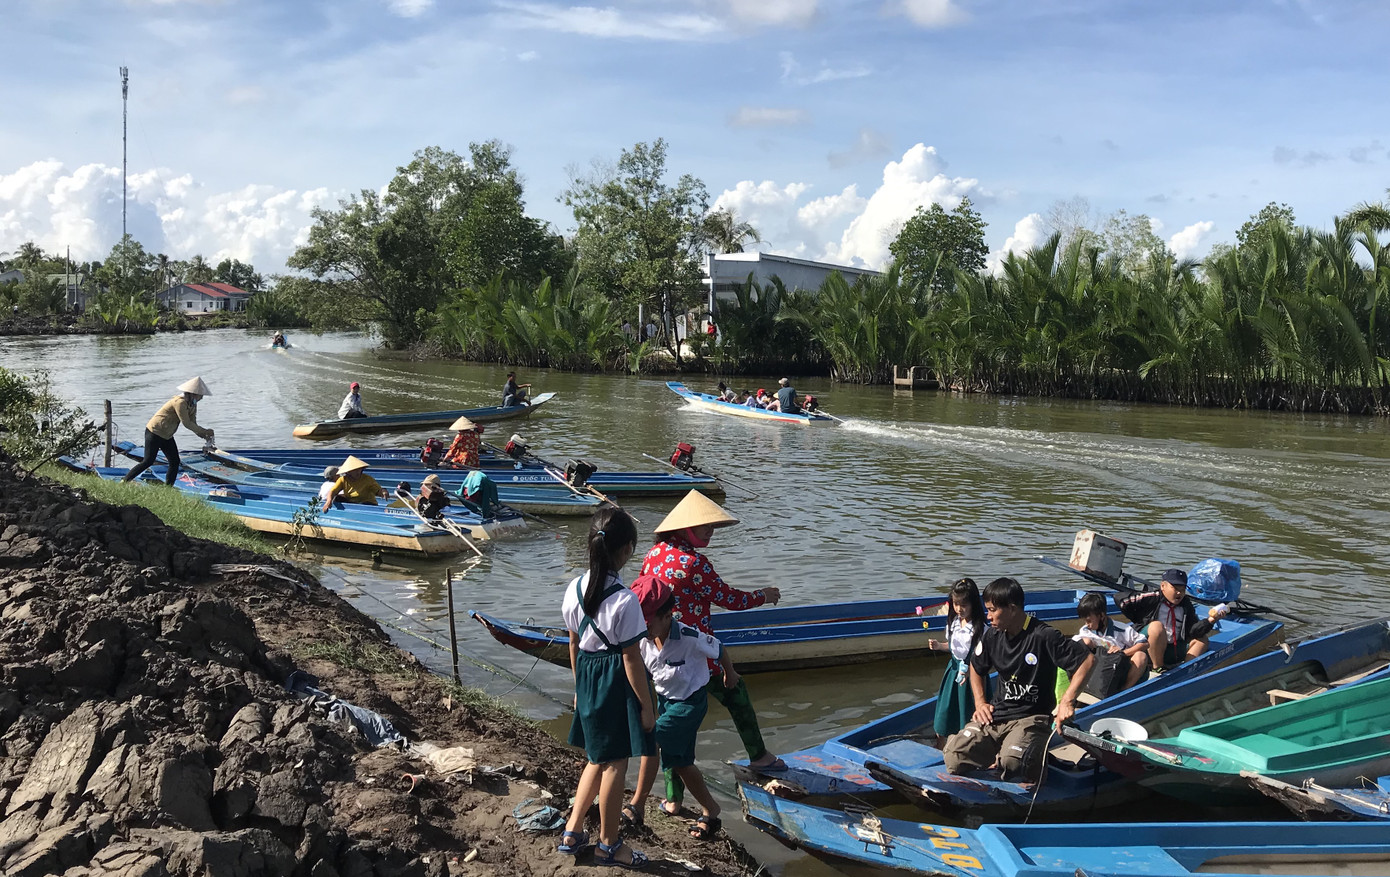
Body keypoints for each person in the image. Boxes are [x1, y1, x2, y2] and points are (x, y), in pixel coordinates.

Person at [640, 490, 785, 813]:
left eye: (712, 526)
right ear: (686, 527)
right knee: (736, 694)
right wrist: (764, 595)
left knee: (671, 720)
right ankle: (759, 756)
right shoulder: (694, 563)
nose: (710, 531)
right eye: (705, 525)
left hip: (661, 651)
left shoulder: (654, 554)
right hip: (698, 652)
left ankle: (672, 798)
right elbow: (731, 600)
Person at [557, 506, 655, 868]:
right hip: (613, 678)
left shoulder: (574, 587)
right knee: (615, 763)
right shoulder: (626, 600)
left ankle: (572, 830)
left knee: (595, 758)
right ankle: (609, 844)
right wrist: (647, 706)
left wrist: (579, 687)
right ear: (627, 550)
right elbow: (632, 661)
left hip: (586, 672)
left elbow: (572, 642)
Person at [943, 576, 1095, 783]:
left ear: (1012, 609)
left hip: (1031, 718)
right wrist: (980, 703)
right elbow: (976, 667)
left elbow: (1087, 660)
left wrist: (1067, 701)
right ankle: (1003, 753)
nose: (988, 617)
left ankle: (1031, 759)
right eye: (986, 610)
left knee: (1013, 763)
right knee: (954, 757)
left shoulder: (1043, 635)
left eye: (992, 610)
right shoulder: (992, 636)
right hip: (997, 715)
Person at [625, 577, 736, 841]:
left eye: (648, 622)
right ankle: (709, 808)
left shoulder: (689, 637)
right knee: (682, 762)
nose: (644, 627)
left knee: (652, 738)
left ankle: (637, 804)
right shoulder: (643, 640)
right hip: (665, 701)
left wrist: (729, 673)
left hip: (689, 704)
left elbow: (719, 649)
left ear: (667, 616)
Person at [1121, 568, 1220, 672]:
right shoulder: (1153, 598)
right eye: (1175, 589)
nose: (1179, 593)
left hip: (1173, 649)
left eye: (1182, 590)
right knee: (1156, 627)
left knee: (1202, 640)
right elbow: (1121, 599)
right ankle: (1158, 667)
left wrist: (1210, 620)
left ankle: (1185, 671)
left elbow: (1193, 631)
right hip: (1148, 647)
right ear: (1163, 586)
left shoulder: (1186, 605)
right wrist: (1138, 618)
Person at [928, 578, 990, 743]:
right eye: (956, 604)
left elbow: (985, 657)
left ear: (973, 604)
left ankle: (970, 744)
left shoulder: (981, 629)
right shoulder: (953, 622)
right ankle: (942, 744)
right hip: (953, 672)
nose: (959, 609)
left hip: (972, 676)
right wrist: (939, 646)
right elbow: (953, 647)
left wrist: (971, 671)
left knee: (967, 712)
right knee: (945, 712)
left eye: (964, 605)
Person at [122, 377, 215, 486]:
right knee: (148, 461)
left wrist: (203, 435)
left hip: (167, 435)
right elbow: (186, 423)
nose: (201, 398)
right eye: (200, 395)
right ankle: (124, 481)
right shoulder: (179, 402)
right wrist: (205, 431)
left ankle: (168, 488)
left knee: (175, 461)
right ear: (193, 394)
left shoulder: (192, 404)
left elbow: (193, 422)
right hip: (155, 432)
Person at [1074, 592, 1150, 692]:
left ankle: (1124, 691)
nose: (1087, 625)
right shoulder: (1085, 631)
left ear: (1101, 615)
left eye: (1089, 621)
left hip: (1121, 671)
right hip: (1101, 674)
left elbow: (1145, 644)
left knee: (1141, 656)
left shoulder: (1122, 629)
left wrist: (1122, 653)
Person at [322, 456, 388, 511]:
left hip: (367, 504)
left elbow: (378, 490)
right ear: (348, 472)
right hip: (352, 503)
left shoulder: (367, 479)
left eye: (359, 469)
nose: (358, 472)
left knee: (364, 504)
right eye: (355, 470)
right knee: (337, 498)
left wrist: (383, 492)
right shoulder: (343, 479)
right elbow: (333, 491)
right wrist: (329, 501)